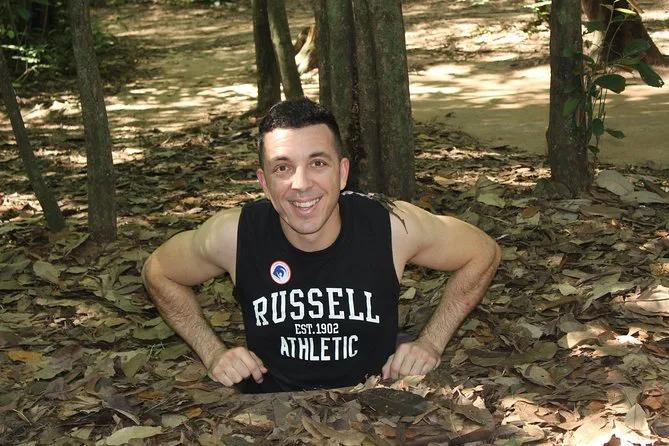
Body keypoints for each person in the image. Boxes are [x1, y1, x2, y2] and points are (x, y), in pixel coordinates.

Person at [142, 98, 501, 393]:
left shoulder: (392, 226)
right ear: (264, 183)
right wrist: (213, 353)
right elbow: (158, 272)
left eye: (317, 163)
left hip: (377, 408)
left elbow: (483, 252)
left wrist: (431, 343)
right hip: (270, 415)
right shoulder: (233, 235)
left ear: (342, 172)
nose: (301, 184)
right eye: (282, 168)